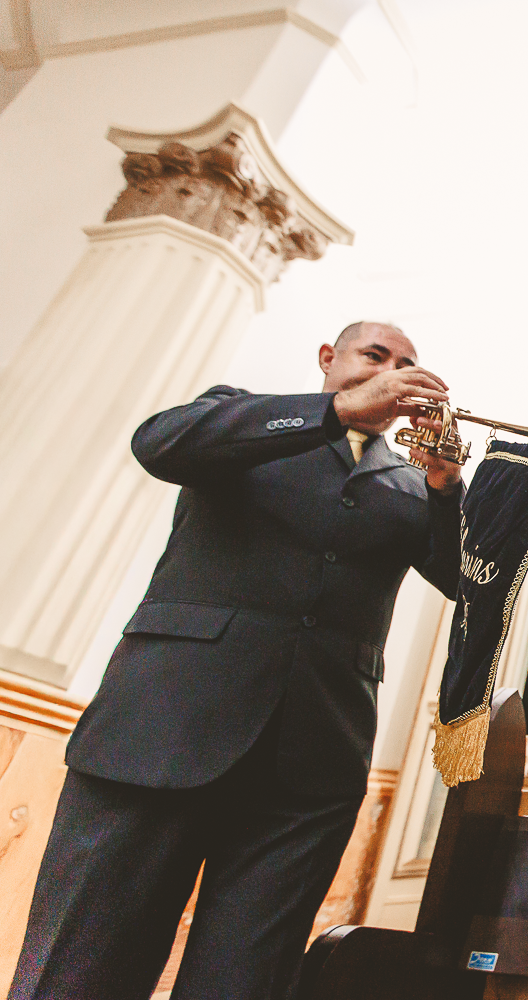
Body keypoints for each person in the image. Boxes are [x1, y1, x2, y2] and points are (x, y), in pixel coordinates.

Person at [9, 322, 465, 1000]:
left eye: (406, 363)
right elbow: (157, 442)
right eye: (375, 355)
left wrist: (445, 486)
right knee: (84, 958)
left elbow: (465, 581)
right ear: (327, 359)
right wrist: (336, 412)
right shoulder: (243, 416)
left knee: (246, 978)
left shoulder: (408, 482)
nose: (391, 370)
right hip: (161, 731)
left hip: (312, 764)